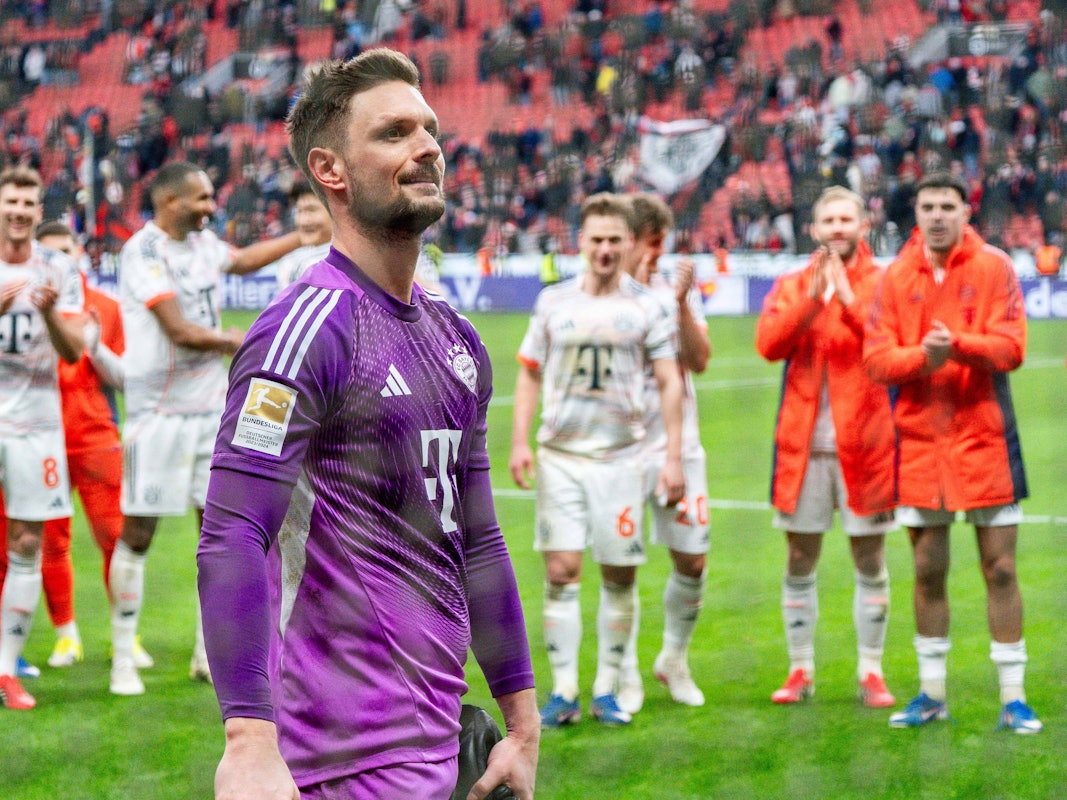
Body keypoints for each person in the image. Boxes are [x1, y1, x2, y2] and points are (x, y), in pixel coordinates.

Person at [197, 49, 539, 800]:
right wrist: (250, 741)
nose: (426, 147)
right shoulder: (304, 330)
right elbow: (233, 533)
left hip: (444, 746)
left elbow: (477, 539)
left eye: (429, 130)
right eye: (392, 133)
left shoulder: (458, 341)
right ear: (331, 170)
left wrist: (521, 727)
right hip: (338, 758)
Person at [112, 160, 303, 697]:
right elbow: (176, 329)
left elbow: (240, 262)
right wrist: (234, 341)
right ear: (170, 202)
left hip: (210, 410)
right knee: (139, 531)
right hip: (155, 415)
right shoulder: (143, 252)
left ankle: (205, 653)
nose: (211, 205)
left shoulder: (202, 245)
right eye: (201, 198)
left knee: (216, 535)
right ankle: (123, 657)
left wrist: (302, 236)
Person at [864, 171, 1042, 733]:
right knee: (926, 568)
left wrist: (955, 346)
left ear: (967, 212)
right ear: (915, 215)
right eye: (928, 206)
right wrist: (924, 359)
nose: (938, 215)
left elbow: (1012, 347)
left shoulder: (994, 267)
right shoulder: (895, 277)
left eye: (948, 205)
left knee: (1002, 568)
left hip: (986, 440)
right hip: (920, 445)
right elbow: (876, 359)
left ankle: (1013, 698)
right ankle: (931, 694)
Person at [510, 192, 686, 729]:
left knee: (619, 575)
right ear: (580, 243)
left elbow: (669, 381)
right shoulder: (553, 303)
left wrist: (672, 456)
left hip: (620, 458)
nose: (605, 249)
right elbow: (529, 371)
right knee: (561, 571)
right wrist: (520, 441)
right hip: (561, 456)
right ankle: (563, 691)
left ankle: (608, 687)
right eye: (596, 240)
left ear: (629, 243)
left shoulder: (648, 306)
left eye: (615, 240)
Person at [755, 186, 898, 709]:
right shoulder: (794, 283)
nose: (837, 228)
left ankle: (872, 671)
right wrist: (814, 298)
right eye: (828, 220)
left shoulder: (884, 282)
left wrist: (851, 300)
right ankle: (800, 670)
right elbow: (769, 345)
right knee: (799, 554)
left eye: (846, 219)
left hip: (868, 445)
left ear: (863, 225)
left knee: (869, 554)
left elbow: (889, 347)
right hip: (802, 446)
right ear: (814, 228)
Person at [615, 192, 710, 714]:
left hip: (680, 446)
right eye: (649, 244)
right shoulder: (603, 294)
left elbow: (699, 361)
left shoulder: (677, 292)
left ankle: (673, 658)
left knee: (692, 559)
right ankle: (625, 672)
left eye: (661, 244)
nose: (656, 254)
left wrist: (678, 304)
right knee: (620, 564)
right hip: (624, 448)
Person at [0, 166, 85, 710]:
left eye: (29, 204)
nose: (20, 211)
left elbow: (75, 351)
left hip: (36, 424)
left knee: (28, 542)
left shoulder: (57, 268)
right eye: (11, 201)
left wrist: (51, 313)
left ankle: (6, 670)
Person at [272, 181, 332, 289]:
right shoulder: (290, 263)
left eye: (311, 210)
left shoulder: (360, 261)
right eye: (299, 211)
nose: (303, 221)